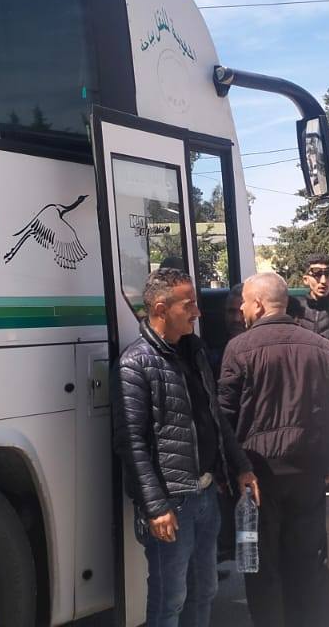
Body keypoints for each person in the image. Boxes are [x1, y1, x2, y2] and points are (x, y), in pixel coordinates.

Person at [113, 268, 260, 627]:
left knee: (205, 590)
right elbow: (131, 443)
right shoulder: (134, 364)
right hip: (172, 505)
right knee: (170, 601)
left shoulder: (194, 352)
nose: (197, 311)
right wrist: (156, 506)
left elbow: (216, 419)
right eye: (188, 304)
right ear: (161, 310)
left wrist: (241, 466)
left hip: (206, 497)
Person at [217, 272, 329, 627]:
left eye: (244, 302)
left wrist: (231, 468)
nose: (241, 310)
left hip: (256, 478)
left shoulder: (238, 348)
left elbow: (224, 416)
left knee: (260, 567)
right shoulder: (321, 347)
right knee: (306, 563)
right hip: (309, 472)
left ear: (258, 304)